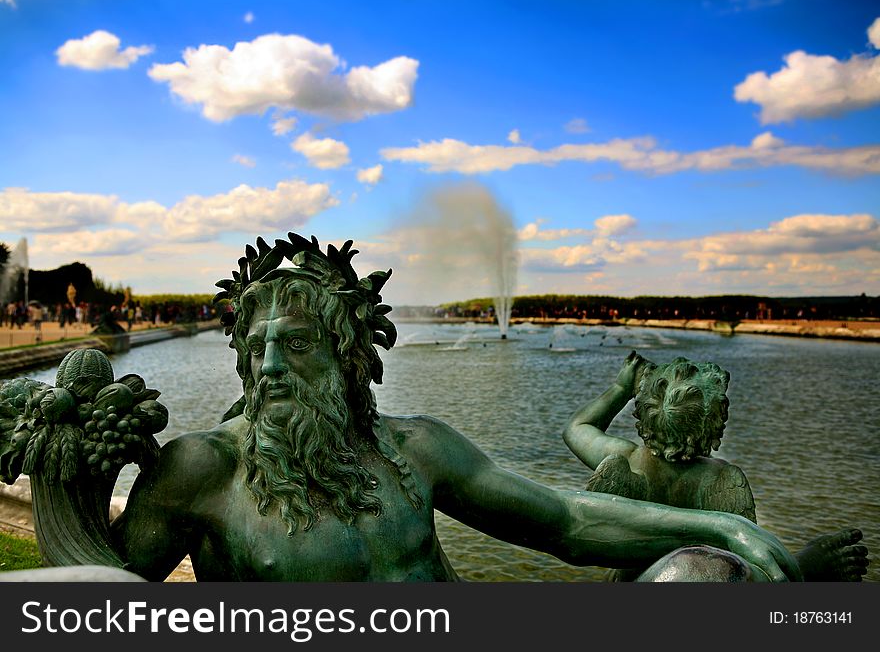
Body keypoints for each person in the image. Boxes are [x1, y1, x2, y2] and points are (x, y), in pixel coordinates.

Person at [99, 234, 801, 582]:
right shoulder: (201, 470)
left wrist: (725, 526)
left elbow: (566, 519)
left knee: (698, 575)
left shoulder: (415, 449)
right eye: (258, 349)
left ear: (349, 356)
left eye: (301, 346)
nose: (272, 368)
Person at [563, 352, 869, 581]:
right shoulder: (722, 480)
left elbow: (577, 427)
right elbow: (744, 556)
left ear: (644, 410)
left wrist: (620, 387)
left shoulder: (625, 460)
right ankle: (804, 568)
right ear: (715, 422)